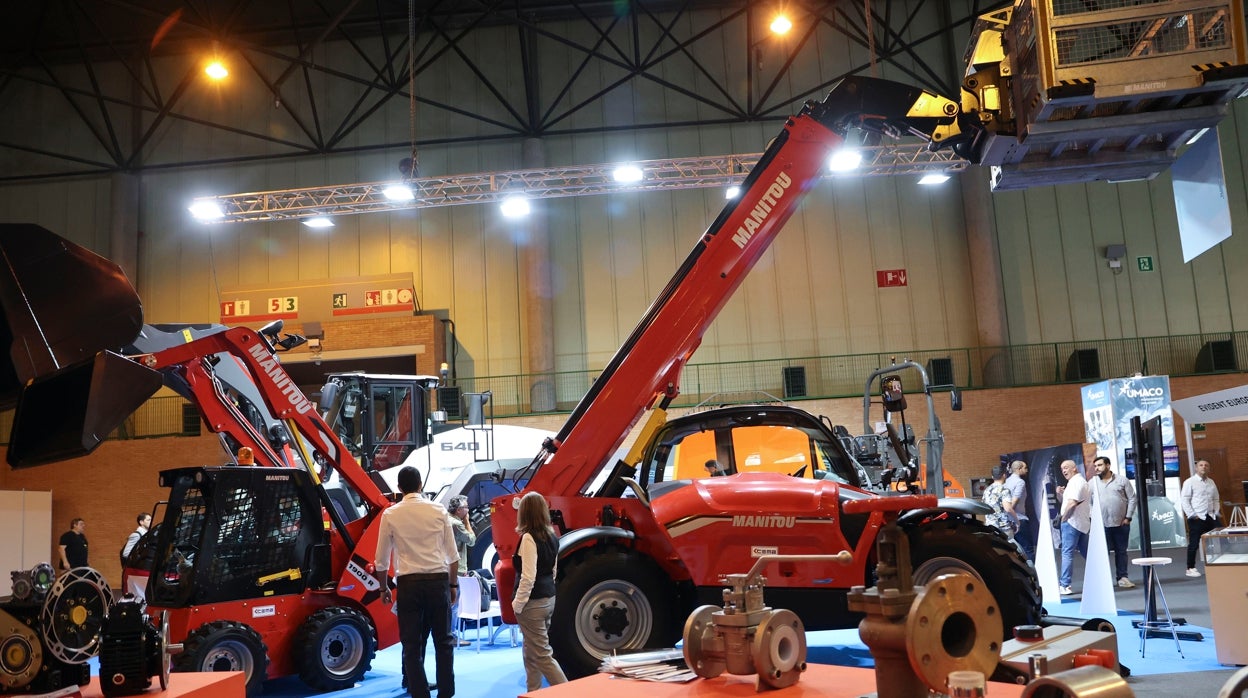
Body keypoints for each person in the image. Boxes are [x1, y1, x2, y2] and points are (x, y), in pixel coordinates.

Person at [374, 466, 459, 698]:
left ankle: (419, 694)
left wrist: (383, 588)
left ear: (399, 488)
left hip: (408, 584)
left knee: (411, 645)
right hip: (438, 581)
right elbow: (453, 556)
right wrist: (453, 586)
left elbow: (381, 560)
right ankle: (446, 692)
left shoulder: (391, 514)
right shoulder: (439, 510)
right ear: (420, 485)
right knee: (443, 641)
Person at [511, 491, 568, 693]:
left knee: (542, 655)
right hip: (548, 599)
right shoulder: (552, 536)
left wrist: (517, 604)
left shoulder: (528, 538)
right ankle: (533, 692)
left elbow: (528, 577)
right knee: (531, 652)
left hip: (532, 604)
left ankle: (571, 693)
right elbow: (552, 570)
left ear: (524, 513)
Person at [1091, 456, 1135, 588]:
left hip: (1121, 523)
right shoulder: (1092, 482)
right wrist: (1092, 519)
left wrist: (1128, 517)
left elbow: (1132, 498)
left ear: (1108, 465)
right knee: (1102, 553)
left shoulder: (1122, 480)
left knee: (1121, 552)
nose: (1096, 468)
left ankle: (1122, 577)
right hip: (1102, 525)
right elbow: (1087, 501)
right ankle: (1103, 581)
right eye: (1095, 466)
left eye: (1099, 465)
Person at [1180, 459, 1222, 577]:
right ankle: (1190, 568)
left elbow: (1216, 498)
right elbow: (1185, 500)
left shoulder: (1211, 482)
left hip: (1211, 516)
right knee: (1193, 543)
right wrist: (1192, 514)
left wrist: (1216, 511)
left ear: (1209, 468)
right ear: (1196, 468)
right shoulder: (1189, 482)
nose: (1204, 467)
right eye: (1201, 465)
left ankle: (1221, 562)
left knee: (1222, 538)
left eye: (1206, 465)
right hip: (1197, 517)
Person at [1056, 459, 1090, 595]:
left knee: (1067, 553)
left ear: (1074, 468)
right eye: (1062, 468)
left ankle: (1065, 585)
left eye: (1066, 467)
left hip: (1072, 523)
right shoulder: (1076, 482)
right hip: (1081, 523)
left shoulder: (1076, 482)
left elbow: (1071, 504)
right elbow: (1069, 501)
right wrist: (1061, 494)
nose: (1064, 470)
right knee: (1088, 553)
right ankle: (1100, 579)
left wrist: (1063, 519)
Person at [448, 495, 476, 647]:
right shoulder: (458, 524)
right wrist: (466, 522)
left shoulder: (445, 519)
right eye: (466, 507)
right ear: (459, 510)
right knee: (454, 605)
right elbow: (471, 540)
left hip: (443, 567)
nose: (468, 510)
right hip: (456, 569)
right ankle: (452, 636)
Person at [1004, 460, 1034, 562]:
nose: (1026, 470)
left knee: (1017, 550)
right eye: (1025, 468)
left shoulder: (1006, 481)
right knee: (1028, 549)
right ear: (1018, 469)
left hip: (1009, 520)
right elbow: (1014, 501)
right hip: (1019, 519)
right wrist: (1013, 516)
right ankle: (1033, 575)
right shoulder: (1020, 482)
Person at [121, 513, 153, 599]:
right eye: (148, 520)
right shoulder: (136, 535)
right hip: (135, 571)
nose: (151, 522)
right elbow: (126, 553)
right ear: (141, 522)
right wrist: (141, 557)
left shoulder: (147, 534)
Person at [981, 465, 1014, 538]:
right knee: (1009, 548)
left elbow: (983, 506)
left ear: (992, 477)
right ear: (1004, 475)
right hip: (1004, 528)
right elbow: (1008, 508)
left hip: (991, 527)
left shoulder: (986, 491)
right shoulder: (1004, 490)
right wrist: (1017, 521)